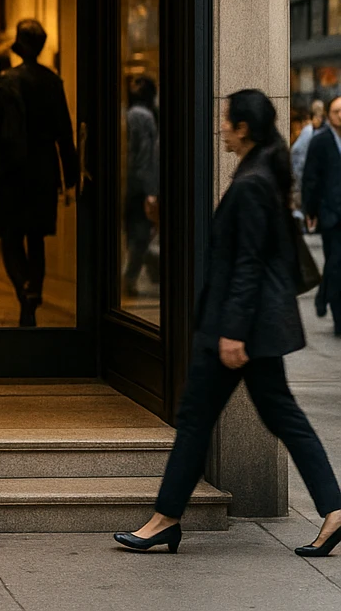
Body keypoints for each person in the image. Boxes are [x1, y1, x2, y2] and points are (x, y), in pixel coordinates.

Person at [115, 88, 341, 557]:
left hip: (237, 329)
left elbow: (248, 264)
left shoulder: (254, 180)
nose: (220, 126)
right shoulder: (262, 169)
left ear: (243, 128)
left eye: (226, 120)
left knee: (197, 419)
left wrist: (232, 330)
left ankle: (164, 520)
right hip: (251, 327)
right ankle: (334, 510)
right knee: (279, 416)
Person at [0, 19, 80, 327]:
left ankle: (23, 288)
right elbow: (65, 133)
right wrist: (71, 174)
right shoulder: (52, 82)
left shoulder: (5, 81)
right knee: (36, 238)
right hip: (44, 171)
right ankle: (33, 292)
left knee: (10, 237)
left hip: (12, 172)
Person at [302, 95, 341, 332]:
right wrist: (311, 210)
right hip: (331, 216)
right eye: (337, 111)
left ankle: (323, 293)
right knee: (335, 264)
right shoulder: (320, 141)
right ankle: (339, 318)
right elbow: (310, 179)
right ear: (328, 115)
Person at [123, 76, 161, 297]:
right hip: (138, 183)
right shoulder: (143, 114)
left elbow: (145, 155)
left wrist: (150, 191)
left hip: (136, 184)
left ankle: (131, 276)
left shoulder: (138, 115)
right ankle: (145, 263)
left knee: (137, 232)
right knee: (138, 232)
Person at [292, 98, 326, 189]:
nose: (319, 119)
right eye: (316, 116)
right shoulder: (308, 130)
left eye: (320, 116)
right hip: (303, 175)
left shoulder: (323, 131)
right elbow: (296, 150)